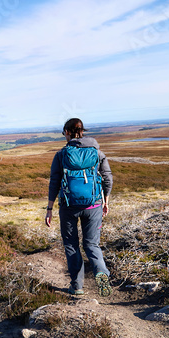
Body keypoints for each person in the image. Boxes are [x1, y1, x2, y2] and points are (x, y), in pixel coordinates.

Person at [45, 118, 113, 299]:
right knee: (91, 244)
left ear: (67, 132)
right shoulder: (97, 152)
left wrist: (49, 208)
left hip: (68, 206)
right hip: (94, 205)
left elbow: (54, 182)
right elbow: (107, 177)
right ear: (82, 132)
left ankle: (77, 286)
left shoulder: (61, 155)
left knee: (71, 245)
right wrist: (105, 201)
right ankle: (101, 272)